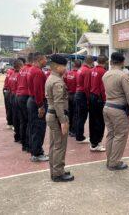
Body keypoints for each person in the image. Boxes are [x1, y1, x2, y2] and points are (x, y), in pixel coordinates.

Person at [102, 52, 129, 170]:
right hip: (118, 109)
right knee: (120, 135)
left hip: (107, 107)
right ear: (123, 62)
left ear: (111, 61)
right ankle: (114, 162)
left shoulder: (106, 75)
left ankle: (109, 159)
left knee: (111, 134)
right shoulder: (123, 76)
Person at [46, 54, 74, 182]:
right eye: (64, 66)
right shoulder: (57, 82)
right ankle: (58, 173)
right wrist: (63, 121)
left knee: (54, 145)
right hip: (57, 116)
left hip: (52, 114)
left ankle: (56, 170)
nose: (66, 68)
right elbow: (58, 103)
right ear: (57, 67)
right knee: (59, 146)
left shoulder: (51, 78)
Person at [27, 52, 49, 162]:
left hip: (32, 101)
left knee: (34, 128)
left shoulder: (32, 70)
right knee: (38, 128)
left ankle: (35, 151)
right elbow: (38, 91)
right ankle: (37, 153)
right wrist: (41, 106)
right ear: (40, 59)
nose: (46, 60)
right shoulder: (37, 72)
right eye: (45, 58)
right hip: (36, 102)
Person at [87, 55, 108, 152]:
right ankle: (97, 143)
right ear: (105, 62)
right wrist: (105, 100)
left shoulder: (92, 71)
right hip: (99, 98)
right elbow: (103, 88)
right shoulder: (103, 72)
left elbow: (87, 85)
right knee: (100, 121)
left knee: (92, 120)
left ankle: (93, 142)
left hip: (91, 96)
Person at [16, 53, 34, 152]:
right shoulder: (31, 70)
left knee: (23, 121)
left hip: (18, 96)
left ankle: (24, 144)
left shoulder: (21, 70)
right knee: (29, 122)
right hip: (26, 96)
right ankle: (28, 145)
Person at [74, 56, 93, 143]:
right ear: (91, 61)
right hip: (82, 95)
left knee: (78, 116)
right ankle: (80, 137)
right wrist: (89, 98)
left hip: (78, 93)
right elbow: (86, 86)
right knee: (82, 117)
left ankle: (78, 135)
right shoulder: (87, 70)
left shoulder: (80, 69)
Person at [63, 60, 81, 137]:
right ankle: (74, 131)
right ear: (80, 65)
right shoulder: (78, 74)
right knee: (76, 114)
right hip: (75, 95)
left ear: (73, 65)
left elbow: (65, 83)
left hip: (69, 95)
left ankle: (70, 129)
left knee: (70, 113)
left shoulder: (68, 73)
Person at [8, 60, 23, 142]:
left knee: (15, 116)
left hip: (12, 96)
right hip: (18, 96)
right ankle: (20, 136)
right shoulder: (19, 75)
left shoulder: (12, 75)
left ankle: (16, 135)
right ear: (20, 65)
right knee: (20, 118)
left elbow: (9, 86)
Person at [3, 65, 15, 129]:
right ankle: (11, 123)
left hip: (6, 90)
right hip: (10, 91)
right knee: (11, 108)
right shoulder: (14, 72)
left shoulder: (9, 71)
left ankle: (9, 122)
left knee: (8, 107)